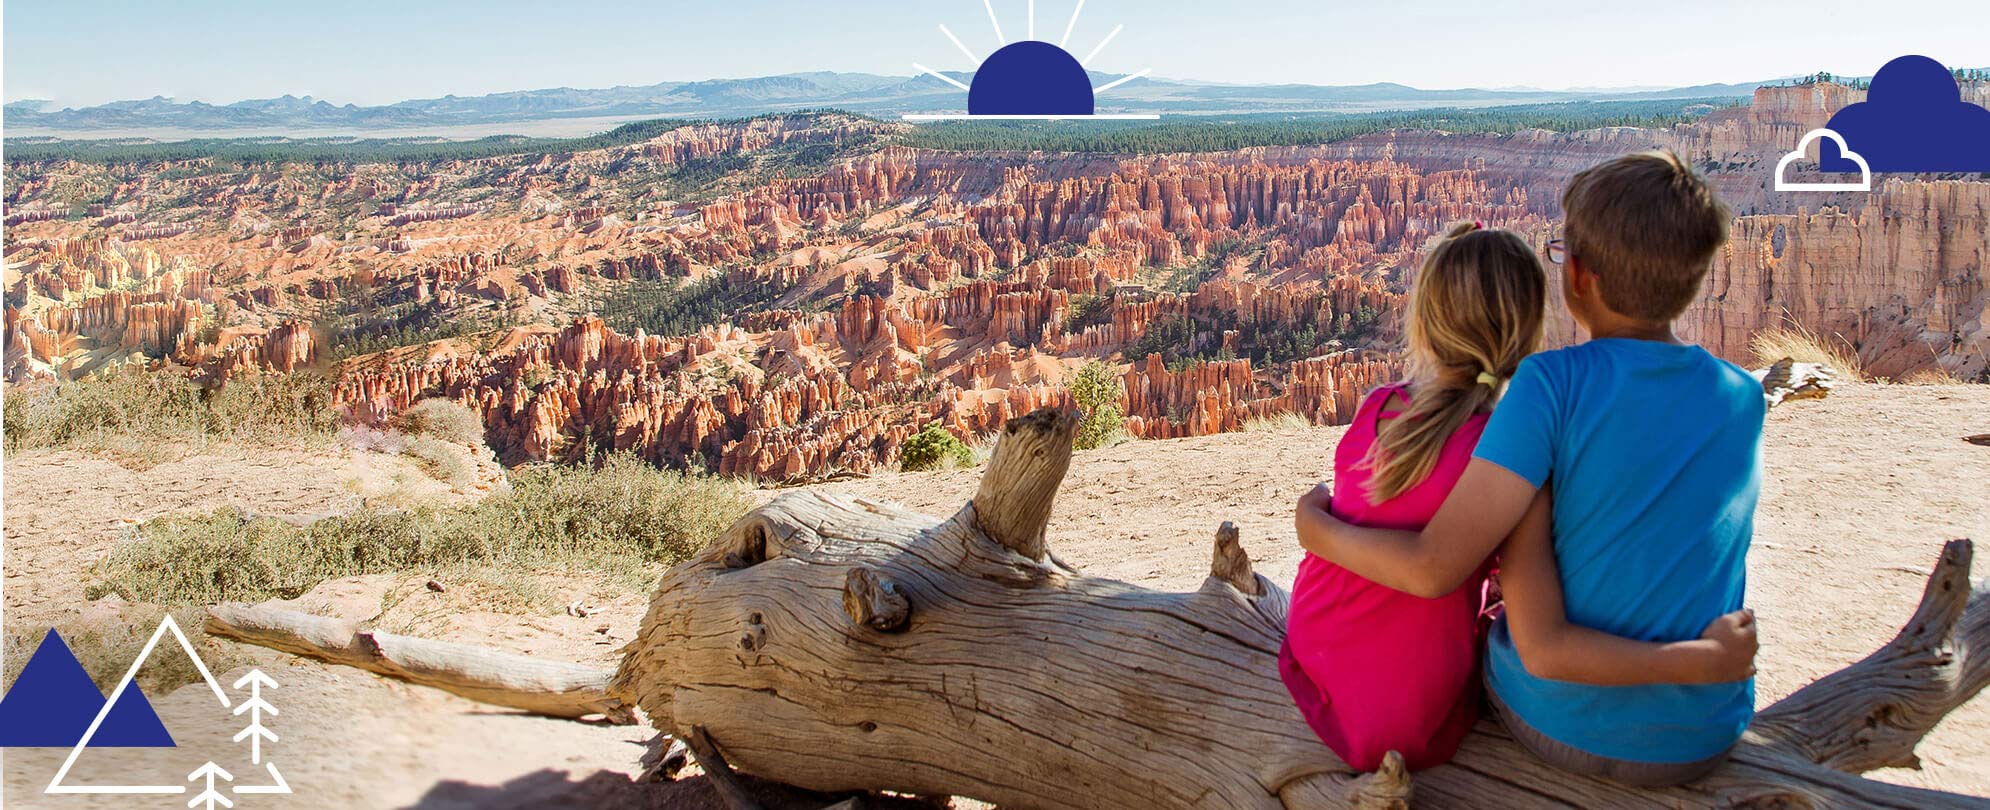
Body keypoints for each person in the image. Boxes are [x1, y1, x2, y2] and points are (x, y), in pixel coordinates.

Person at [1294, 151, 1763, 785]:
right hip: (1708, 733)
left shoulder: (1549, 387)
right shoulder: (1744, 397)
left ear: (1580, 279)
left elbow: (1472, 595)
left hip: (1557, 721)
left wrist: (1313, 527)